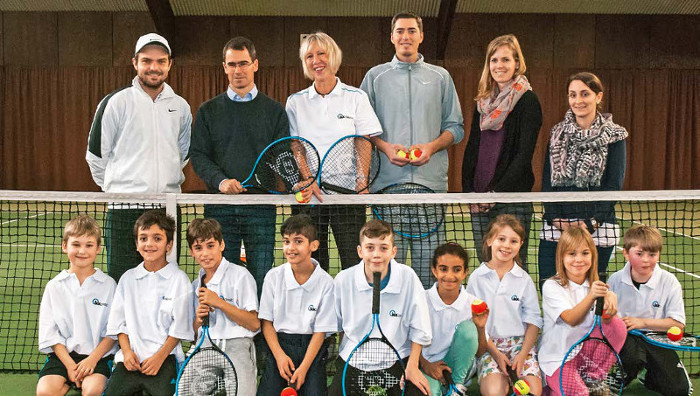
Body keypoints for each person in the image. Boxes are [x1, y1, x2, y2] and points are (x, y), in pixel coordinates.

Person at [360, 11, 464, 288]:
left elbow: (456, 128)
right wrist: (384, 147)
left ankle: (423, 332)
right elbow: (361, 131)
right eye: (400, 31)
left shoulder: (441, 77)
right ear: (392, 37)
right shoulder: (374, 77)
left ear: (421, 36)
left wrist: (431, 147)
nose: (405, 36)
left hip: (430, 191)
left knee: (428, 276)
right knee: (386, 276)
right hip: (386, 191)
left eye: (411, 31)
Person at [85, 33, 191, 282]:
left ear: (169, 64)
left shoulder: (181, 107)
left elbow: (182, 154)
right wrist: (119, 188)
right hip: (124, 210)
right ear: (135, 63)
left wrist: (165, 183)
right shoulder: (115, 102)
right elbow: (96, 156)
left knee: (166, 282)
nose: (154, 67)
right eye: (146, 61)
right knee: (121, 282)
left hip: (167, 208)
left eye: (161, 61)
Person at [190, 36, 290, 294]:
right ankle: (225, 333)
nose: (238, 70)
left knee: (261, 276)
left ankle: (258, 334)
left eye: (243, 63)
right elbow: (199, 156)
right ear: (224, 67)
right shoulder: (208, 111)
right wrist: (221, 182)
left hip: (261, 208)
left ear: (255, 65)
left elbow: (282, 156)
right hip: (220, 210)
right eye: (232, 64)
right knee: (222, 276)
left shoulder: (275, 111)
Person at [287, 31, 382, 272]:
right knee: (313, 264)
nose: (316, 60)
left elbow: (363, 141)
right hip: (310, 197)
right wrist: (308, 179)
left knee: (353, 261)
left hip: (347, 195)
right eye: (309, 56)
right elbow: (295, 145)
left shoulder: (356, 97)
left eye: (321, 54)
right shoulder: (295, 102)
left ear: (334, 57)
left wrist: (361, 183)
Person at [538, 72, 628, 290]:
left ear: (598, 97)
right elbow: (547, 183)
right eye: (572, 95)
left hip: (599, 227)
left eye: (584, 94)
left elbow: (613, 186)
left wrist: (591, 224)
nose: (578, 100)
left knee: (593, 291)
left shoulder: (615, 136)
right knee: (549, 287)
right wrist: (554, 219)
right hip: (556, 227)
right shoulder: (557, 133)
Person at [461, 34, 542, 272]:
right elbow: (472, 149)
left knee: (514, 269)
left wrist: (495, 193)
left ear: (517, 63)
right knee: (486, 267)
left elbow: (523, 155)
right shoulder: (482, 102)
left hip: (511, 200)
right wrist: (470, 193)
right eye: (494, 60)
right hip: (479, 200)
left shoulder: (528, 101)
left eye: (506, 59)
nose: (499, 65)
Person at [328, 219, 432, 395]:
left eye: (383, 248)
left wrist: (413, 366)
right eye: (370, 247)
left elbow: (420, 329)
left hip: (397, 359)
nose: (376, 254)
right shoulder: (343, 280)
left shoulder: (408, 277)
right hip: (352, 361)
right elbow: (337, 327)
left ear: (393, 252)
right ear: (360, 251)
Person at [103, 210, 194, 396]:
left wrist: (159, 358)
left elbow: (179, 328)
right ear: (136, 244)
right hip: (130, 360)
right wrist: (127, 353)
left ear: (169, 245)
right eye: (143, 238)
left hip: (164, 359)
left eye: (157, 238)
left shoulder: (179, 280)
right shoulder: (127, 279)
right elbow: (119, 324)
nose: (149, 244)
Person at [538, 226, 627, 396]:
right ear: (561, 257)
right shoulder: (552, 286)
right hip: (557, 359)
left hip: (583, 357)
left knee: (617, 325)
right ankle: (553, 387)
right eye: (572, 254)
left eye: (585, 253)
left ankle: (594, 378)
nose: (579, 259)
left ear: (593, 256)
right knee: (579, 394)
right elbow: (571, 319)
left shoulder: (597, 286)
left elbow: (609, 327)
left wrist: (611, 302)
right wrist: (592, 296)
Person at [37, 215, 117, 396]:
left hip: (97, 358)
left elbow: (113, 331)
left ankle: (81, 383)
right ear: (65, 246)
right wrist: (70, 366)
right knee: (45, 392)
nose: (82, 251)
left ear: (98, 249)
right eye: (76, 244)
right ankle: (68, 382)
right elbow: (50, 333)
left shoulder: (109, 285)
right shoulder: (54, 286)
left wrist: (91, 360)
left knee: (93, 391)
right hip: (63, 358)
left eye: (89, 245)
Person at [257, 214, 336, 395]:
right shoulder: (273, 277)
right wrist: (279, 356)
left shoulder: (326, 282)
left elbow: (320, 332)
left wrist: (304, 368)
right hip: (279, 346)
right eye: (286, 241)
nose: (290, 248)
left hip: (312, 351)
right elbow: (267, 323)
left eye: (298, 241)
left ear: (313, 246)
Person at [608, 225, 691, 395]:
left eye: (652, 254)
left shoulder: (670, 282)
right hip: (627, 339)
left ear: (658, 254)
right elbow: (608, 318)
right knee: (633, 355)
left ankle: (647, 375)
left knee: (680, 390)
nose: (646, 260)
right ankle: (623, 372)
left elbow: (677, 324)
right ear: (625, 253)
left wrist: (642, 322)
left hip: (657, 340)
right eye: (639, 254)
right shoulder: (615, 280)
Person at [466, 214, 543, 396]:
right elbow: (475, 323)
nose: (507, 245)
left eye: (513, 241)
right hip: (489, 347)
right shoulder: (477, 278)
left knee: (533, 392)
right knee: (494, 392)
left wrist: (522, 354)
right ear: (490, 240)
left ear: (520, 244)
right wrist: (496, 354)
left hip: (521, 346)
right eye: (501, 239)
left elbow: (533, 322)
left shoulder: (524, 279)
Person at [188, 218, 261, 396]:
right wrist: (198, 320)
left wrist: (219, 302)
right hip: (205, 347)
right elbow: (193, 334)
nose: (205, 253)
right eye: (198, 248)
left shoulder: (240, 275)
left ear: (222, 245)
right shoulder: (195, 285)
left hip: (238, 346)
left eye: (210, 245)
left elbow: (254, 323)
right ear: (191, 252)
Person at [420, 242, 488, 396]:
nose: (449, 276)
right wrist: (426, 365)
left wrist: (480, 327)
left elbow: (480, 352)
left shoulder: (473, 303)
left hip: (459, 368)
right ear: (434, 271)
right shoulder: (420, 301)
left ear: (465, 273)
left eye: (457, 270)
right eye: (443, 269)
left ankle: (456, 388)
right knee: (431, 392)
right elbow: (408, 343)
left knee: (469, 329)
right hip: (428, 365)